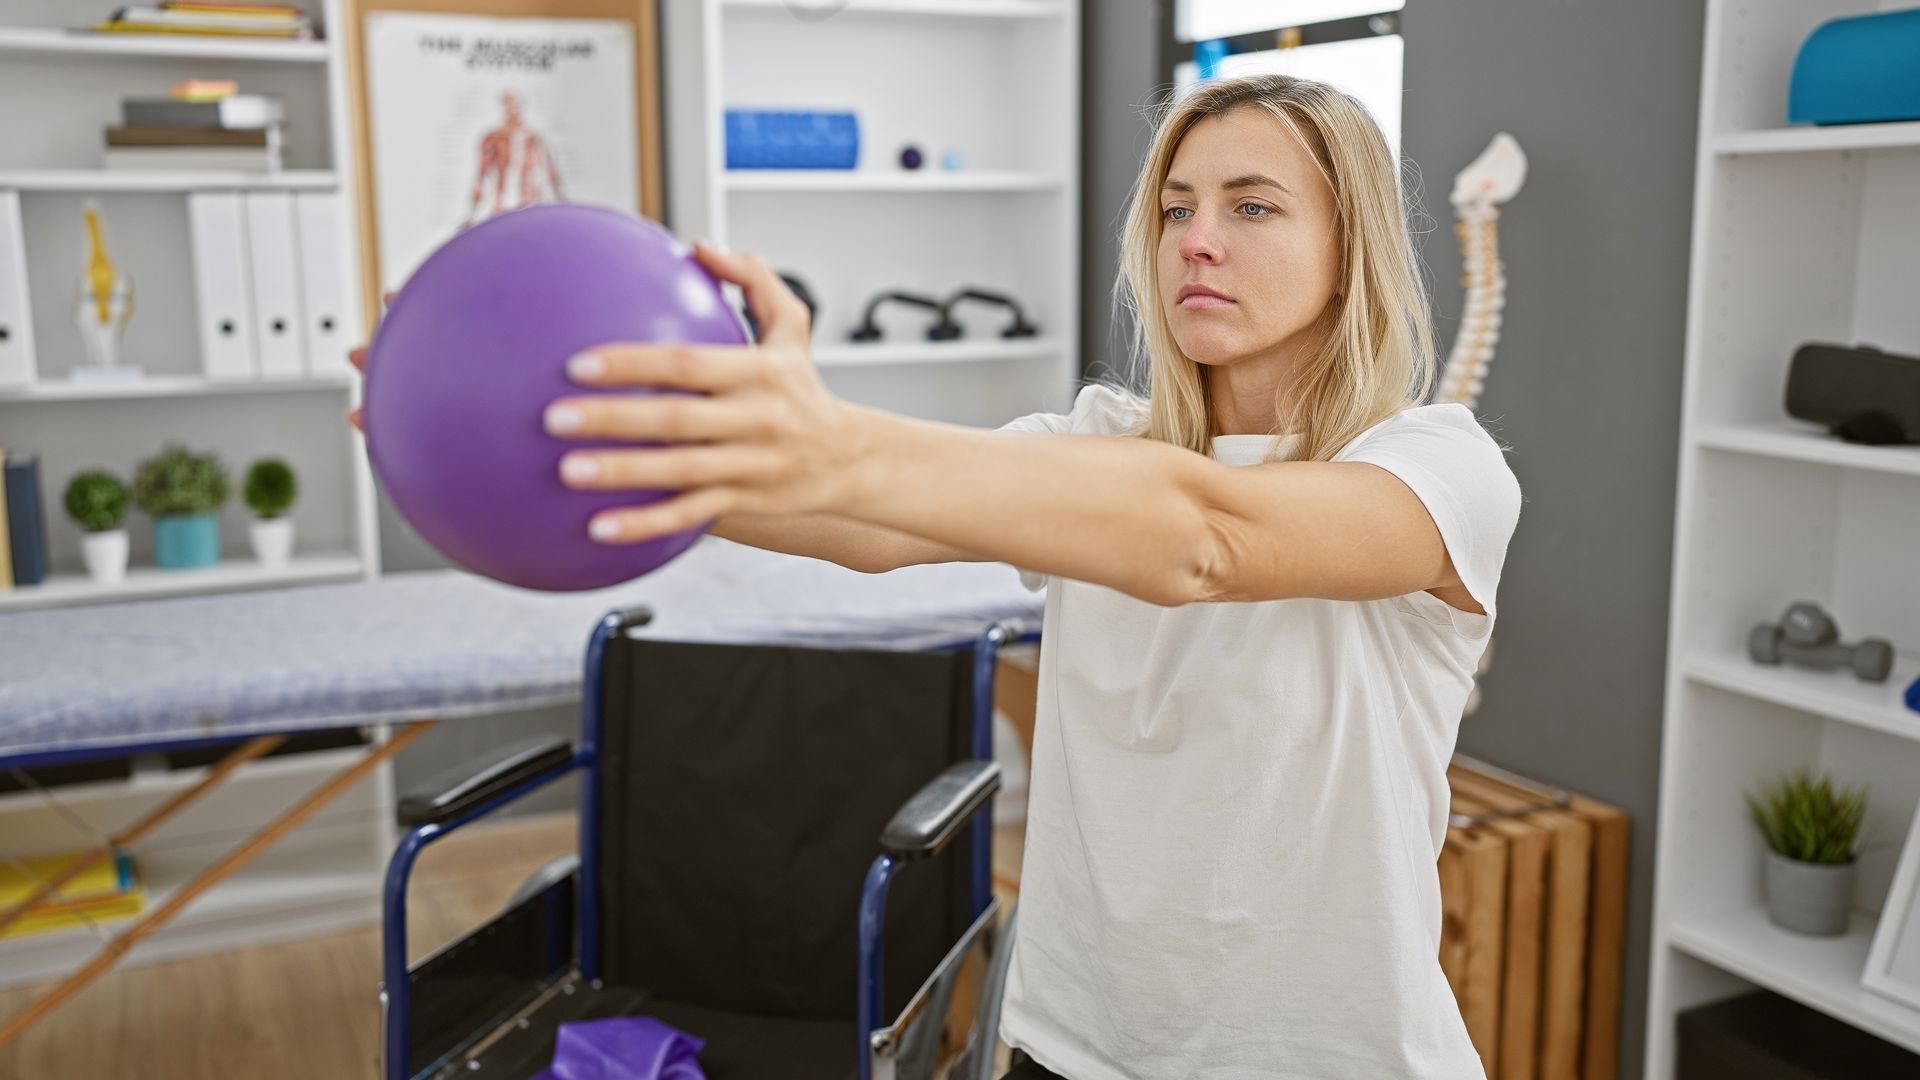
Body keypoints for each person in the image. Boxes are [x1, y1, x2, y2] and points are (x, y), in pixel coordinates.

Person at [350, 71, 1521, 1079]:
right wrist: (522, 432)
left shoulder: (1435, 471)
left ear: (1348, 247)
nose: (1196, 240)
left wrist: (834, 438)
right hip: (1073, 1041)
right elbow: (858, 518)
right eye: (1175, 209)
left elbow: (1206, 541)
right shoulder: (1095, 449)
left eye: (1252, 206)